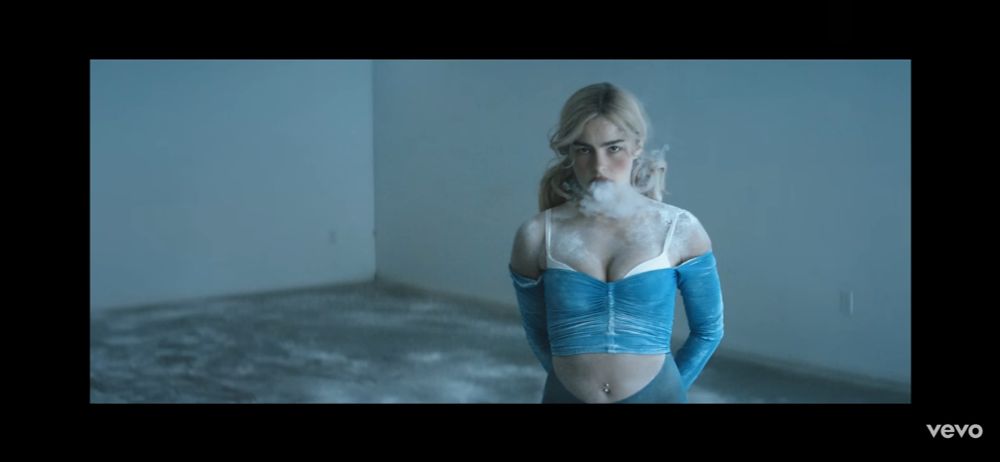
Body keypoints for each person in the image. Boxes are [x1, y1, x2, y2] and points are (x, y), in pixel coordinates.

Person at [508, 82, 724, 403]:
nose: (599, 166)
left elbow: (708, 331)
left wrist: (670, 390)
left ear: (637, 145)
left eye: (613, 148)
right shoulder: (537, 235)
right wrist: (570, 384)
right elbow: (538, 334)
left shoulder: (679, 229)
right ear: (569, 151)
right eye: (584, 149)